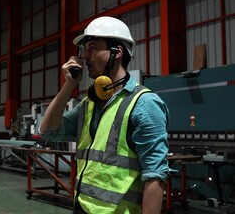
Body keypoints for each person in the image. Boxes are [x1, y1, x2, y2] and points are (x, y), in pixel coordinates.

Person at [39, 16, 170, 214]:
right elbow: (47, 131)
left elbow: (155, 175)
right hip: (82, 207)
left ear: (116, 52)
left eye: (92, 47)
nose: (84, 56)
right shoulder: (88, 104)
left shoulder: (144, 104)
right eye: (84, 49)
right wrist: (69, 86)